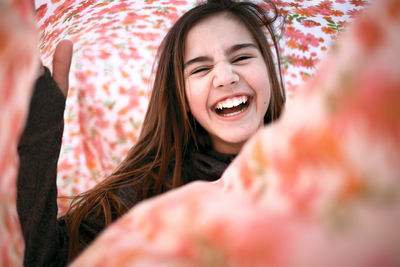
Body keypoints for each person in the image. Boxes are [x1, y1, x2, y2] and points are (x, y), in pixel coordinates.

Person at [17, 0, 285, 266]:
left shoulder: (322, 166)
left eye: (241, 57)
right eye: (201, 69)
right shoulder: (148, 190)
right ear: (183, 97)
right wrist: (39, 125)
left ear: (268, 70)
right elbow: (42, 260)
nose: (226, 77)